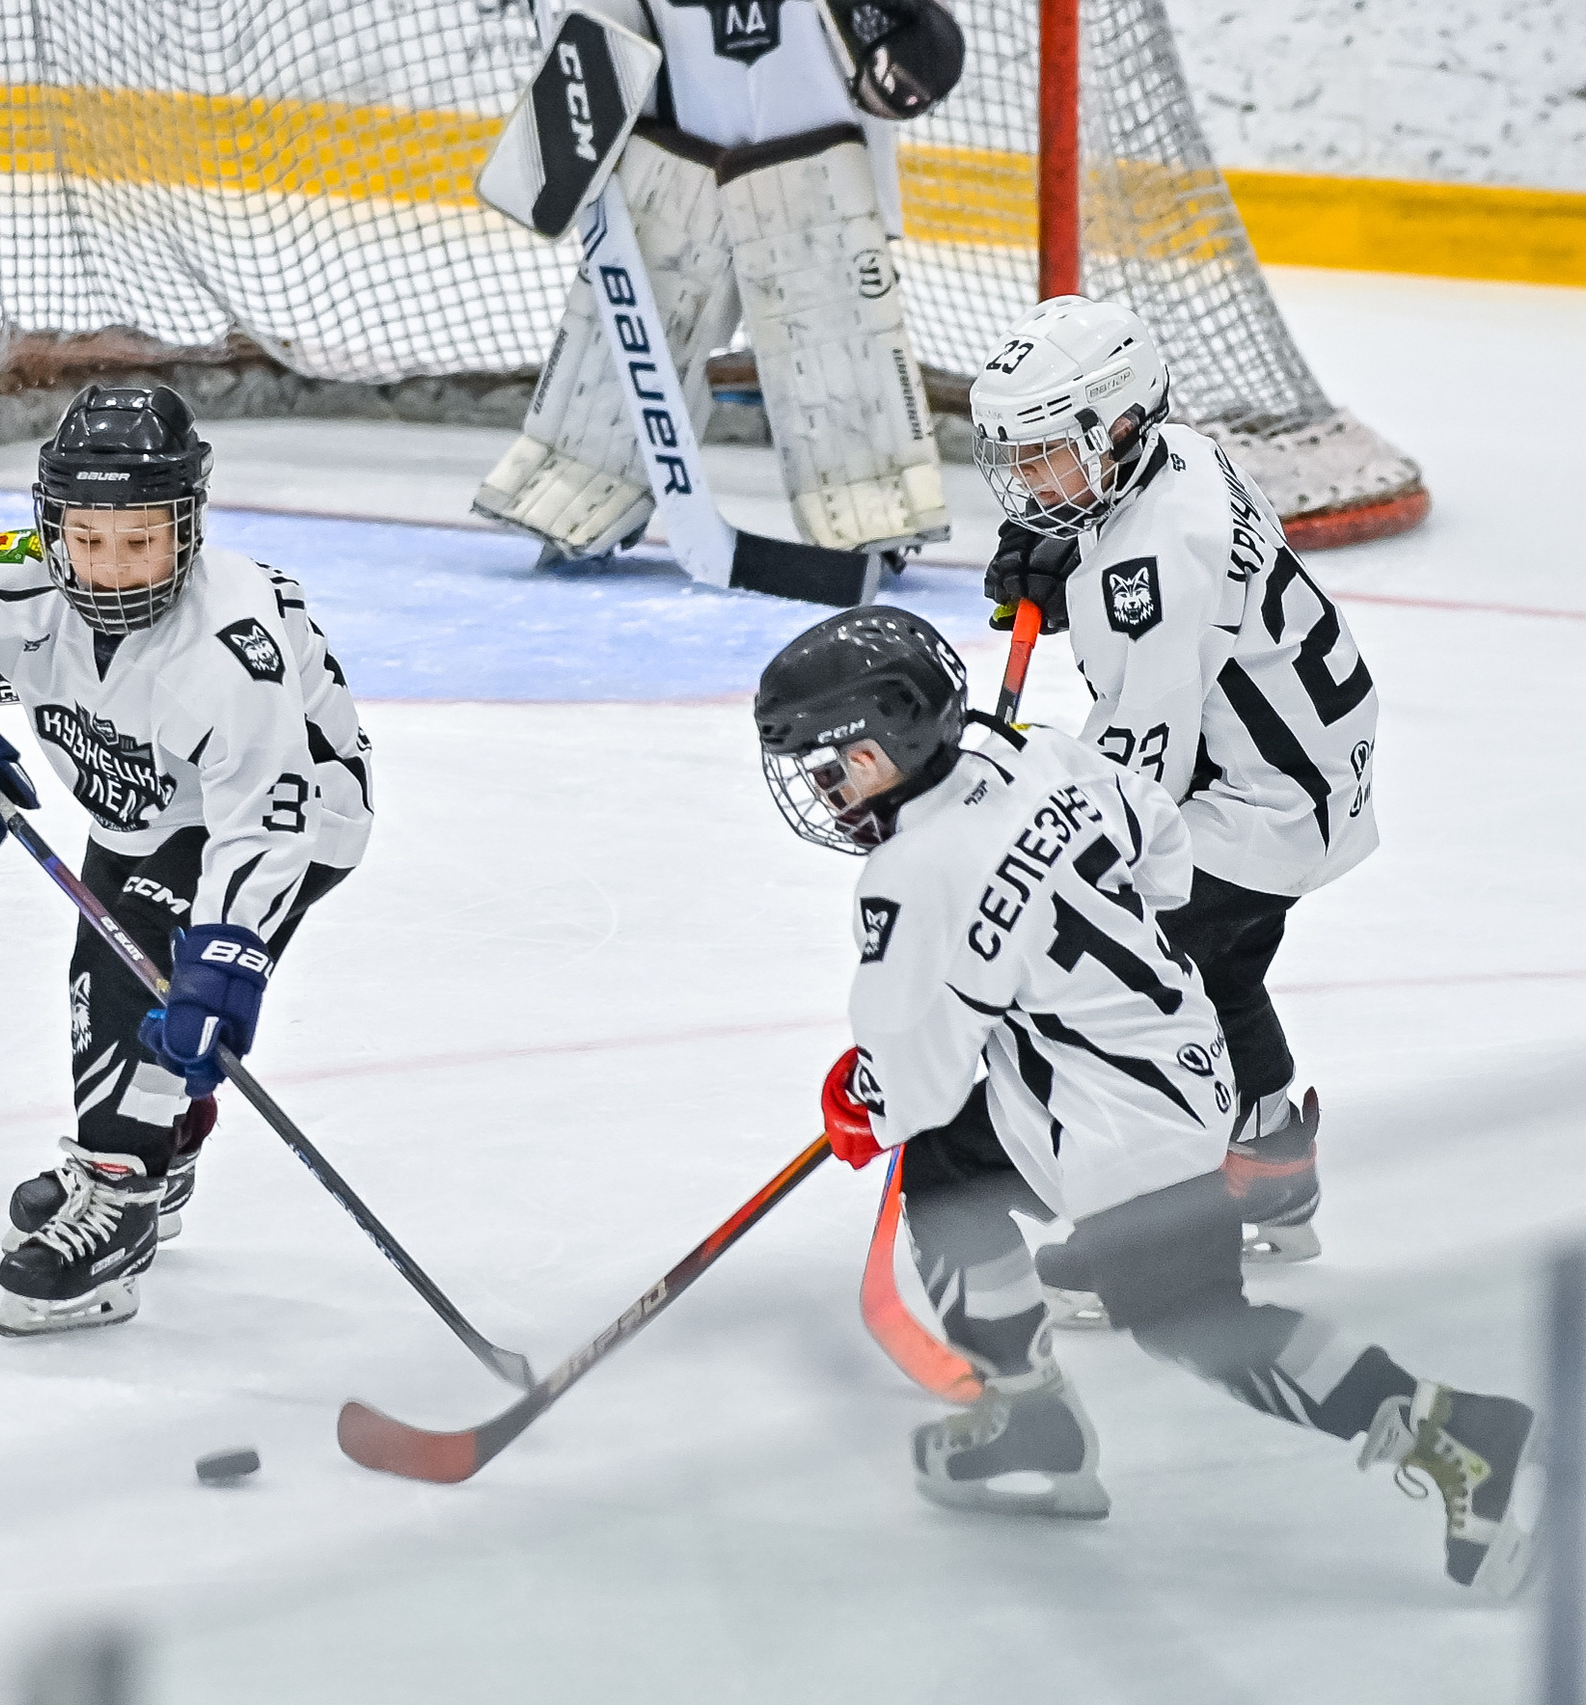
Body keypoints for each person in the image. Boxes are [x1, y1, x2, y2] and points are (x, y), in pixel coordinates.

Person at [752, 604, 1535, 1594]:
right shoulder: (1035, 752)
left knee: (1191, 1320)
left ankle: (1454, 1431)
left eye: (833, 768)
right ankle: (1031, 1420)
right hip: (1176, 1054)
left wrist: (864, 1100)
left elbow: (916, 1084)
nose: (827, 795)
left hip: (1125, 1129)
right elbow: (1162, 844)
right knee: (947, 1169)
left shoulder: (906, 878)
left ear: (886, 743)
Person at [0, 384, 373, 1337]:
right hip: (142, 810)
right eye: (88, 539)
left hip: (290, 816)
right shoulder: (20, 576)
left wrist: (227, 956)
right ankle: (161, 1142)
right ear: (51, 526)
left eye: (140, 540)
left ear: (188, 527)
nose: (109, 569)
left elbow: (264, 819)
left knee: (138, 977)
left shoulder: (230, 647)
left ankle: (121, 1196)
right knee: (111, 983)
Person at [970, 294, 1376, 1278]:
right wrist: (1068, 549)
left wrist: (1007, 840)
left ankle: (1148, 1242)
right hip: (1309, 767)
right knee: (1218, 971)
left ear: (1116, 429)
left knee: (1104, 990)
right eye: (1015, 455)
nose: (1025, 479)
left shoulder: (1148, 572)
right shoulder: (1181, 454)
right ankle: (1272, 1172)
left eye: (1046, 453)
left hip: (1259, 807)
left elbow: (1130, 787)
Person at [473, 0, 962, 575]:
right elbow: (604, 32)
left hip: (820, 165)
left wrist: (917, 40)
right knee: (634, 322)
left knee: (838, 336)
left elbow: (903, 48)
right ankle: (584, 482)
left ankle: (872, 507)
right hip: (678, 159)